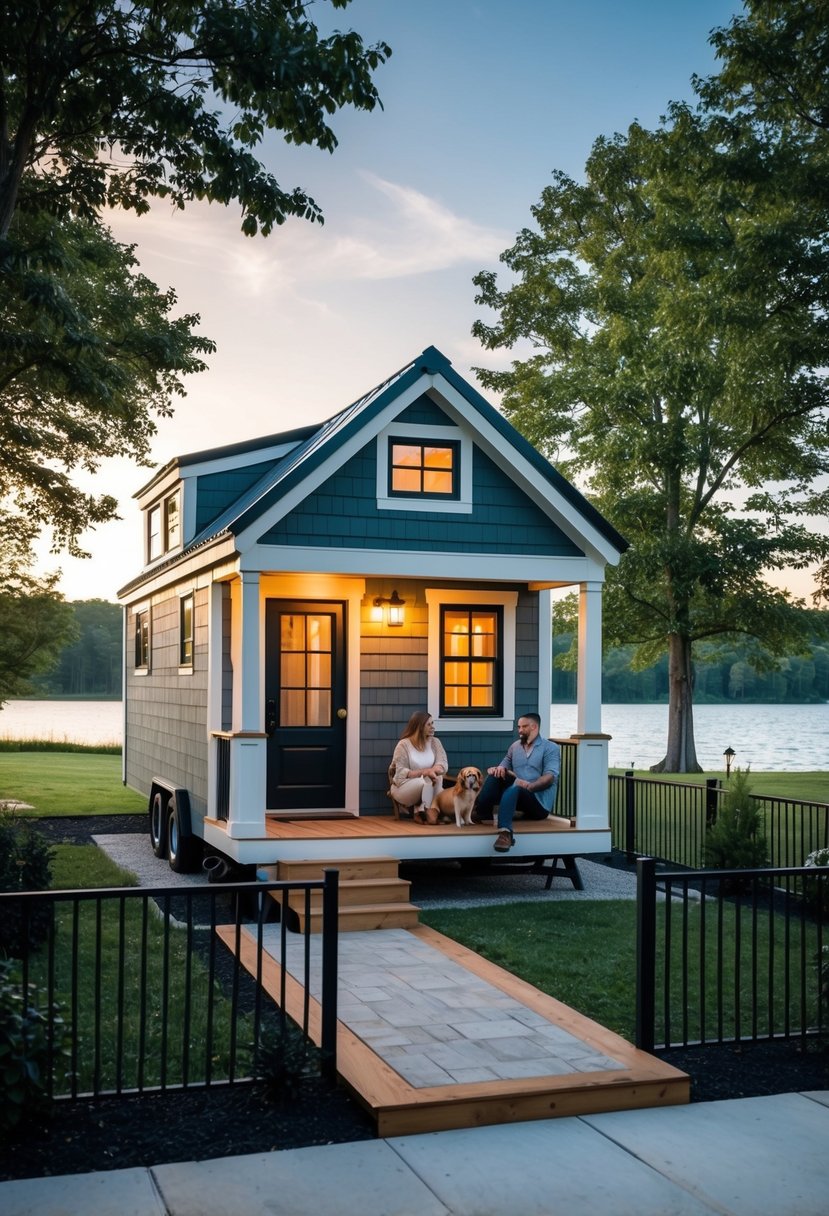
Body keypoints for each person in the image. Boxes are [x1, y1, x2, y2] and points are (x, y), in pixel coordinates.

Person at [473, 713, 560, 852]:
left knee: (515, 788)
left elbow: (550, 777)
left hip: (538, 804)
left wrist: (529, 786)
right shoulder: (515, 747)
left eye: (523, 726)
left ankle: (505, 834)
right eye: (518, 726)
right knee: (497, 774)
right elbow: (504, 766)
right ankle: (482, 813)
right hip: (518, 797)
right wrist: (498, 768)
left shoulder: (550, 748)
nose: (519, 730)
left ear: (534, 727)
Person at [389, 711, 449, 822]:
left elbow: (443, 765)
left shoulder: (435, 742)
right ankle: (431, 813)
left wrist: (432, 771)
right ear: (419, 727)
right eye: (429, 725)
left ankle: (423, 811)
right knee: (425, 782)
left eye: (433, 723)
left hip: (430, 783)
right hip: (403, 786)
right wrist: (426, 772)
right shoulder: (404, 745)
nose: (433, 727)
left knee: (437, 778)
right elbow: (401, 773)